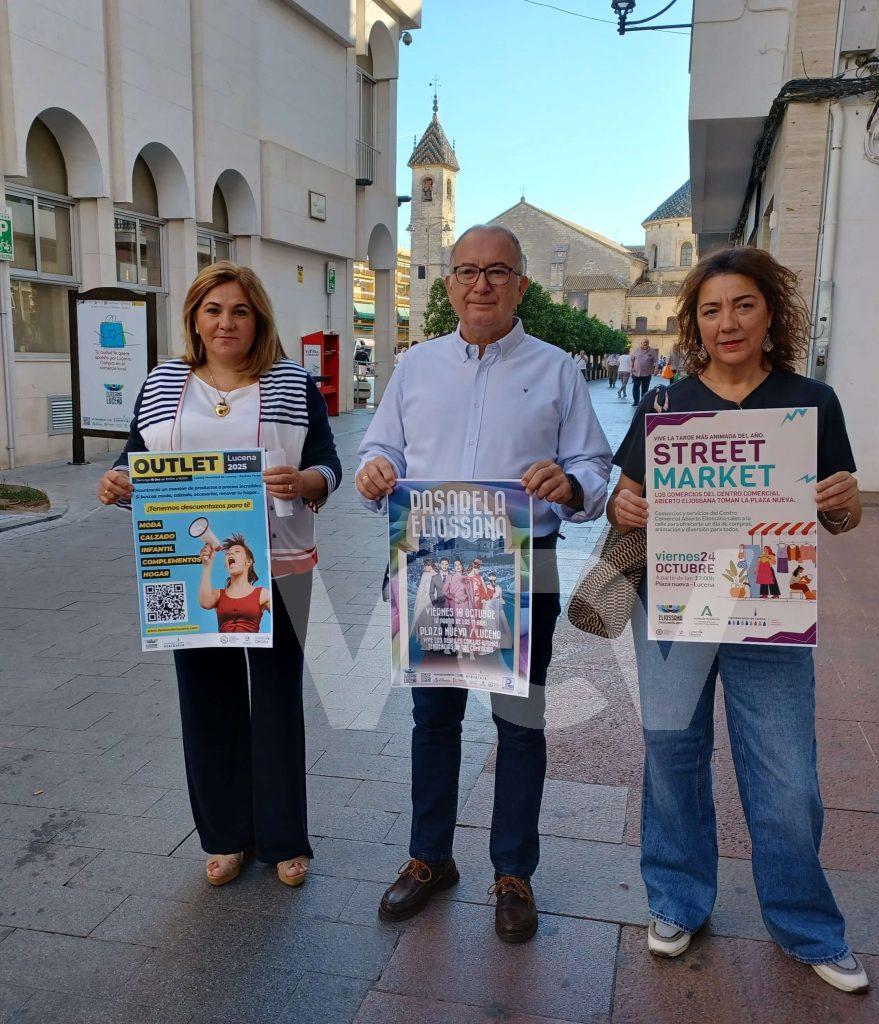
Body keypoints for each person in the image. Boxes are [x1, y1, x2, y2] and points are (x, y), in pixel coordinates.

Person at [606, 245, 868, 993]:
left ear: (769, 313)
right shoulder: (665, 406)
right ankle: (677, 899)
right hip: (675, 607)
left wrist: (845, 504)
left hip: (769, 611)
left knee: (787, 780)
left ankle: (805, 925)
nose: (728, 323)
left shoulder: (810, 402)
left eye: (743, 306)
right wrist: (623, 505)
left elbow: (839, 515)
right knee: (672, 759)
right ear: (694, 323)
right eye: (711, 310)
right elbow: (623, 502)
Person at [355, 224, 611, 943]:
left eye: (498, 271)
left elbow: (593, 468)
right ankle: (430, 859)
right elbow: (380, 448)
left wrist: (569, 484)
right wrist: (374, 472)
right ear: (448, 284)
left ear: (521, 285)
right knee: (433, 721)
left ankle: (513, 873)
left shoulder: (557, 369)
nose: (481, 284)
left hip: (523, 568)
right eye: (467, 270)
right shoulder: (415, 367)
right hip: (431, 564)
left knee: (520, 726)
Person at [97, 261, 342, 889]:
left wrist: (304, 481)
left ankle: (284, 839)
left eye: (239, 310)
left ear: (257, 318)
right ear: (195, 319)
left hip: (279, 569)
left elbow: (327, 465)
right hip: (188, 572)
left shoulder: (292, 383)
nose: (226, 322)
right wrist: (120, 479)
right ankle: (226, 836)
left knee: (277, 700)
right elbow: (136, 457)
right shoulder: (163, 383)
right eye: (213, 310)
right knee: (206, 701)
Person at [199, 533, 272, 632]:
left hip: (250, 642)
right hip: (224, 642)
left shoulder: (263, 594)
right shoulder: (218, 595)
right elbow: (205, 603)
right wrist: (207, 566)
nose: (230, 554)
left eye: (237, 551)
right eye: (228, 553)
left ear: (248, 562)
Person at [630, 337, 656, 406]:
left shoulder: (652, 351)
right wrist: (631, 368)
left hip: (647, 374)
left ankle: (643, 402)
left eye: (647, 342)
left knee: (645, 389)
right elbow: (632, 359)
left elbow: (656, 361)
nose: (645, 344)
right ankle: (636, 401)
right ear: (641, 343)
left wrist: (656, 370)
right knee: (635, 388)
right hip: (636, 373)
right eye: (644, 342)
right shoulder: (636, 350)